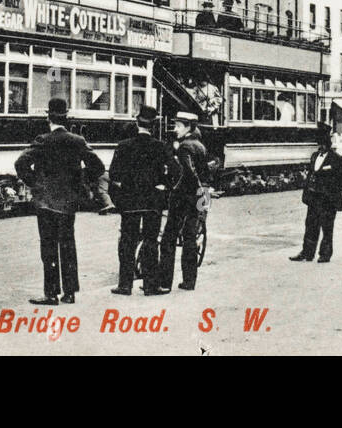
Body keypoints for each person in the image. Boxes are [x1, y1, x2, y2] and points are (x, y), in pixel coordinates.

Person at [15, 98, 105, 305]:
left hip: (46, 202)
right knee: (68, 246)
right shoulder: (77, 141)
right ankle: (70, 293)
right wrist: (81, 180)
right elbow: (98, 168)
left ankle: (51, 294)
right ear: (66, 117)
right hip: (68, 203)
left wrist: (34, 184)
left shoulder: (42, 140)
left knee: (48, 247)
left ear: (49, 118)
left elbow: (20, 163)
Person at [108, 107, 178, 295]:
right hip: (152, 202)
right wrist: (164, 187)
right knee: (150, 241)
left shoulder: (123, 146)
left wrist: (119, 198)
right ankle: (150, 285)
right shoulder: (161, 147)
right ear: (154, 126)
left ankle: (124, 285)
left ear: (137, 123)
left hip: (129, 202)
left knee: (127, 241)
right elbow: (175, 172)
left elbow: (113, 174)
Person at [149, 112, 211, 294]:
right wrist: (203, 193)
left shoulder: (184, 147)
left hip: (183, 197)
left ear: (188, 127)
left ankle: (165, 282)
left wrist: (173, 188)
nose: (175, 129)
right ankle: (189, 281)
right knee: (191, 238)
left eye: (178, 126)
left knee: (168, 238)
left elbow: (188, 173)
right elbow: (205, 172)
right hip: (200, 195)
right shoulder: (200, 146)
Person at [291, 128, 342, 262]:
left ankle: (325, 254)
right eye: (319, 144)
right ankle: (307, 253)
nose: (321, 147)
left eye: (323, 144)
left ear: (328, 145)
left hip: (328, 200)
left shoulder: (337, 159)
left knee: (327, 228)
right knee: (310, 225)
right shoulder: (314, 156)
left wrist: (335, 191)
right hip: (313, 198)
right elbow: (312, 174)